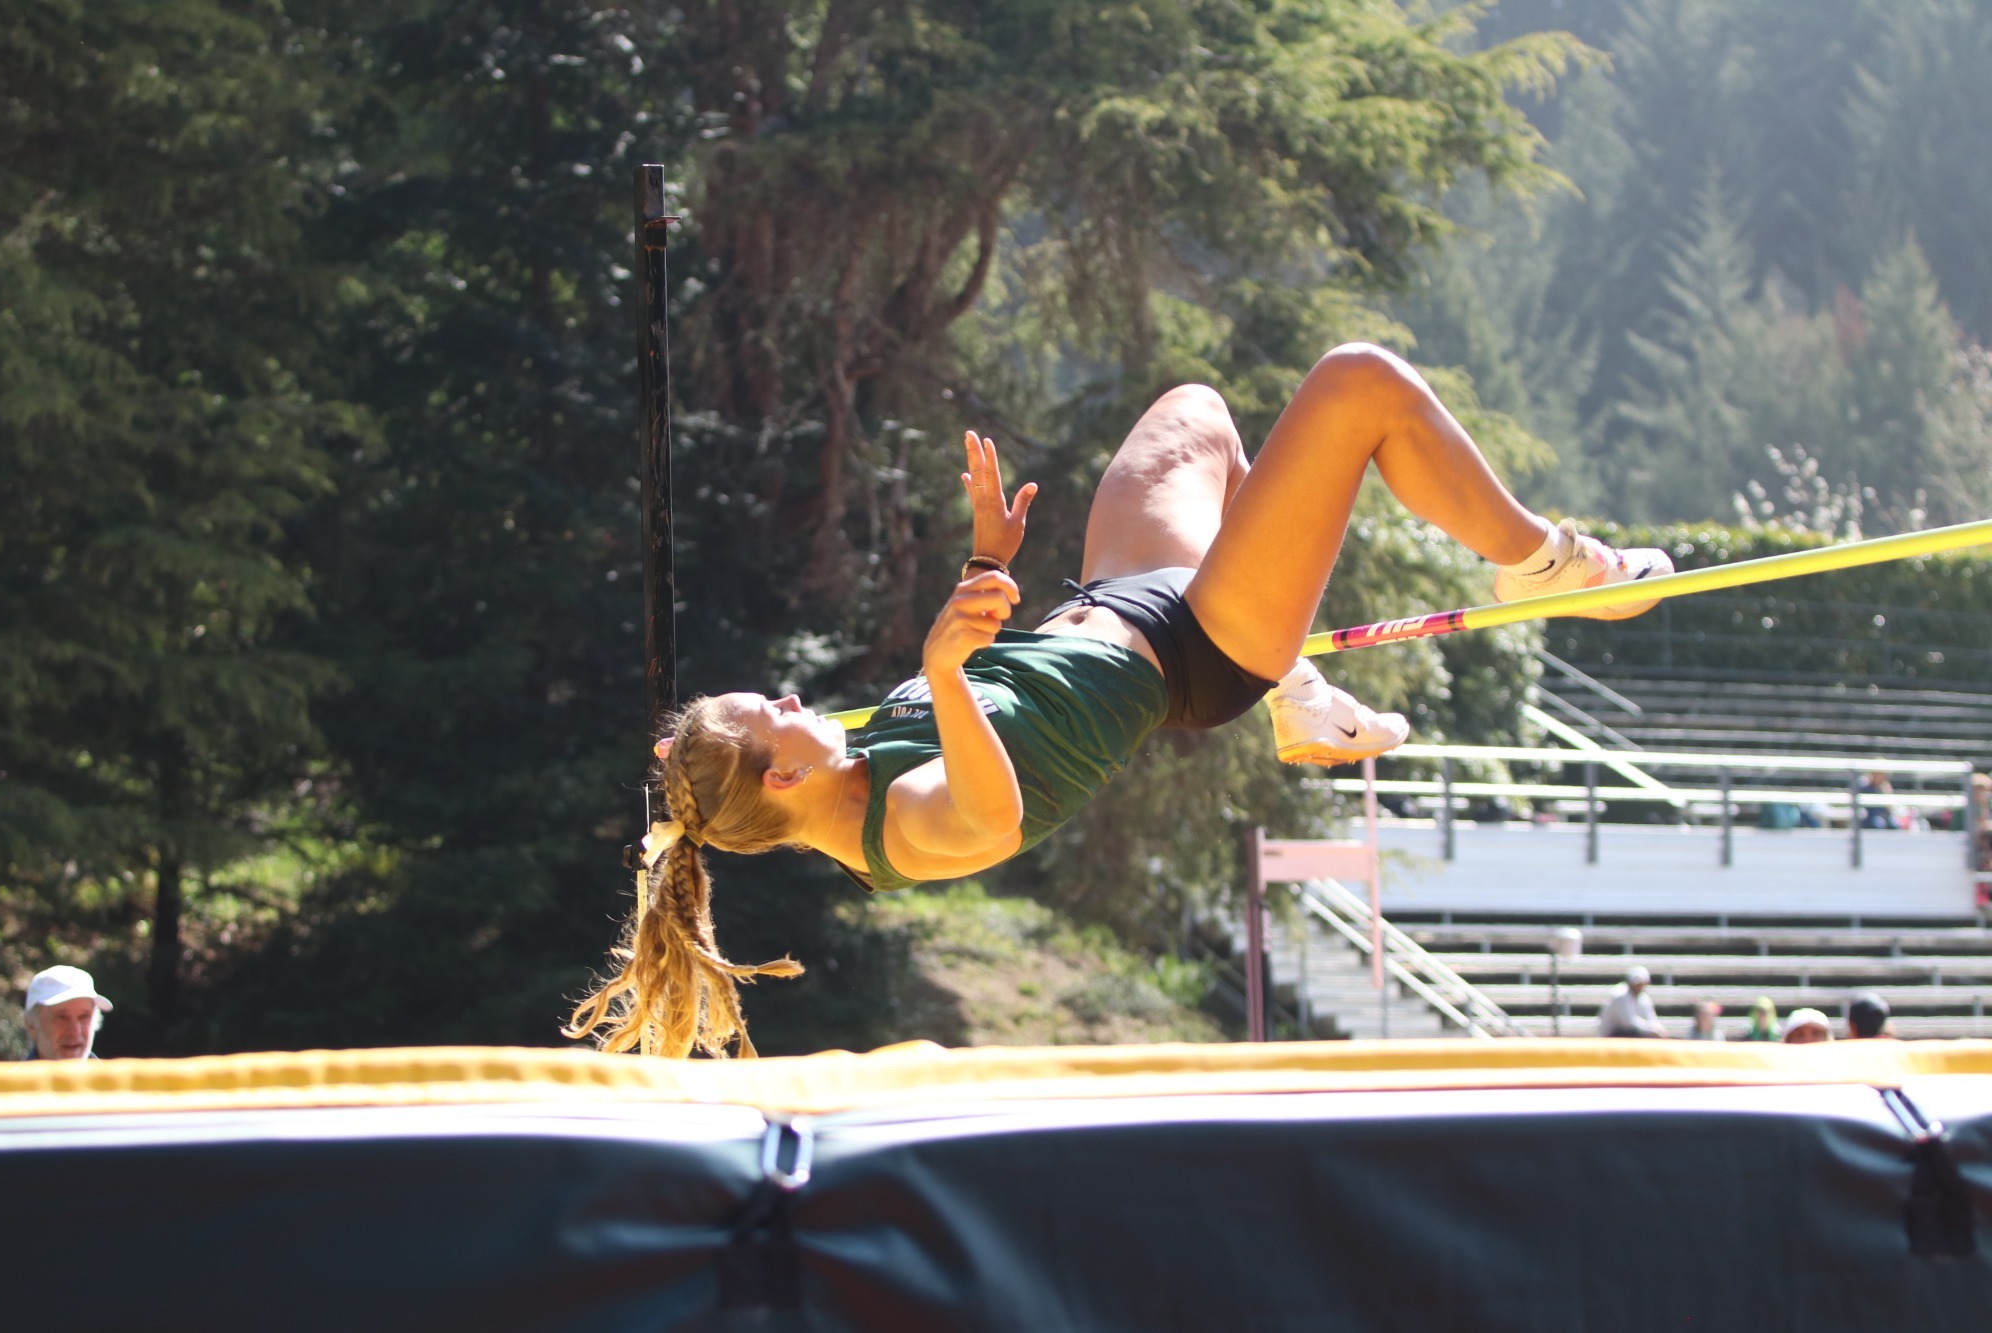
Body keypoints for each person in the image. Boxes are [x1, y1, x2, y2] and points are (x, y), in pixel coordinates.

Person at [570, 345, 1673, 1056]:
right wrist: (947, 667)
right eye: (775, 707)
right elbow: (991, 807)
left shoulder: (842, 756)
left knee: (1194, 410)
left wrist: (980, 569)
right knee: (1358, 384)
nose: (794, 693)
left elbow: (986, 682)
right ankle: (1545, 562)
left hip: (1119, 595)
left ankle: (1303, 696)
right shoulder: (895, 830)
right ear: (784, 776)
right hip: (1196, 650)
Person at [20, 965, 110, 1061]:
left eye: (84, 1017)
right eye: (61, 1017)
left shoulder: (115, 1076)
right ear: (31, 1025)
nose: (75, 1032)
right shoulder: (11, 1076)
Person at [1596, 966, 1669, 1039]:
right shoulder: (1619, 995)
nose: (1639, 986)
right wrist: (1652, 1030)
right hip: (1612, 1034)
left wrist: (1658, 1029)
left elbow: (1651, 1017)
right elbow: (1628, 1023)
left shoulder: (1643, 997)